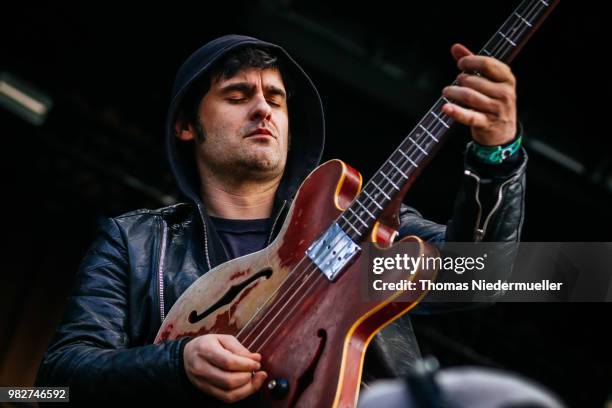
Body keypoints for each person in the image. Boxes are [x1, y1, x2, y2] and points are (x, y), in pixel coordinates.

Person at [36, 34, 527, 405]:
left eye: (276, 98)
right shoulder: (136, 240)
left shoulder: (358, 223)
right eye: (237, 95)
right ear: (187, 126)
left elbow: (480, 277)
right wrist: (176, 362)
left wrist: (497, 154)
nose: (262, 109)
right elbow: (56, 380)